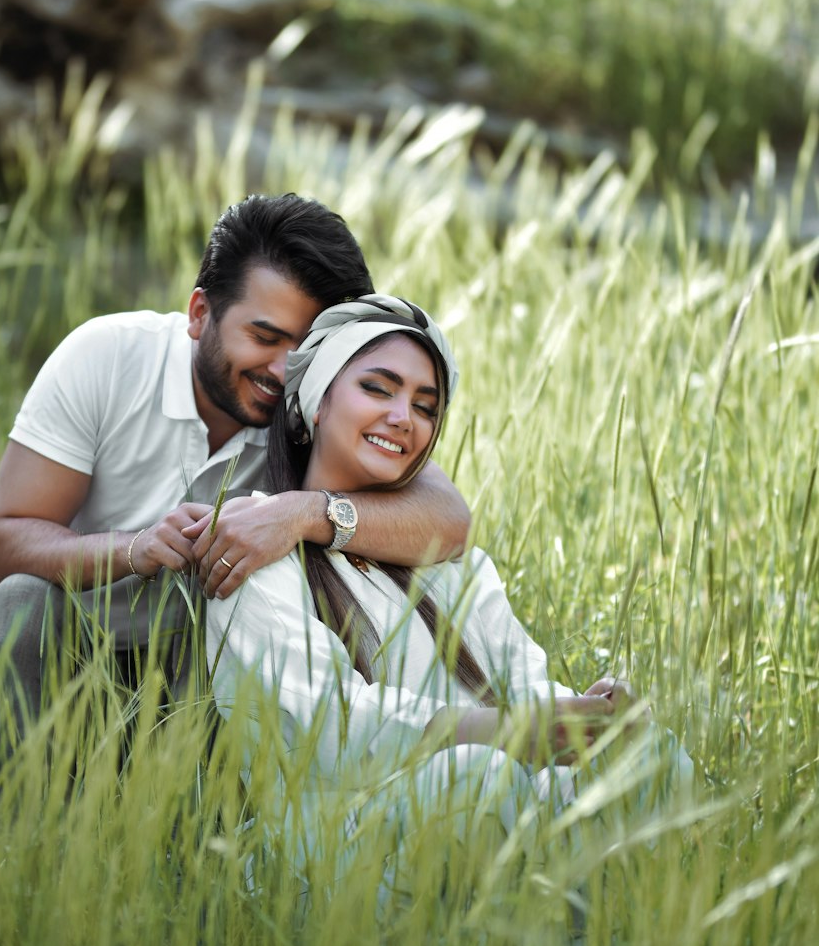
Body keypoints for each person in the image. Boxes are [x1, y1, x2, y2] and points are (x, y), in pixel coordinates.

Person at [0, 196, 472, 822]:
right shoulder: (106, 357)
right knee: (20, 603)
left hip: (208, 687)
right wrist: (133, 549)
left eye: (305, 349)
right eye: (264, 336)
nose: (284, 370)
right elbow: (0, 546)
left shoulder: (313, 407)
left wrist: (304, 513)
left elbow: (448, 519)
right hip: (70, 658)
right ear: (200, 313)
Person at [205, 295, 694, 889]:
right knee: (475, 778)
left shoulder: (450, 564)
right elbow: (332, 732)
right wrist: (507, 733)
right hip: (330, 851)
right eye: (378, 389)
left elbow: (522, 679)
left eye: (424, 406)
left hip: (487, 807)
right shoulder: (258, 548)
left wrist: (588, 716)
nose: (403, 417)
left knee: (652, 758)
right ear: (314, 404)